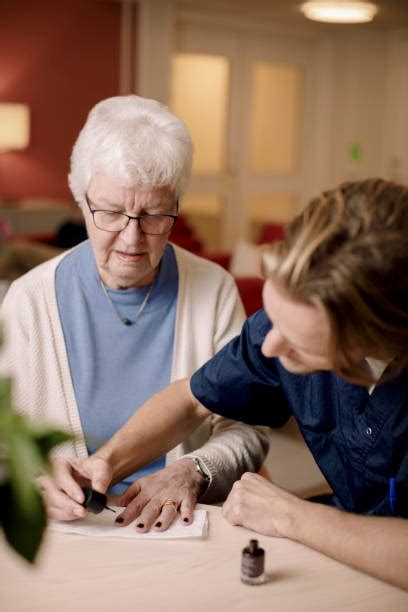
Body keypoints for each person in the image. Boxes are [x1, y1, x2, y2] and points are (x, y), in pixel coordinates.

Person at [52, 178, 407, 590]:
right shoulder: (281, 326)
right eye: (273, 319)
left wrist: (290, 516)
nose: (271, 347)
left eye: (296, 341)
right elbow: (190, 400)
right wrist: (107, 463)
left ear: (370, 335)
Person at [1, 95, 269, 526]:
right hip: (68, 533)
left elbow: (247, 429)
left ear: (176, 208)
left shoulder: (214, 290)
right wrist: (35, 478)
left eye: (153, 215)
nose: (131, 238)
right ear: (81, 201)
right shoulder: (29, 300)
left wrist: (194, 471)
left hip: (180, 527)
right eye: (110, 212)